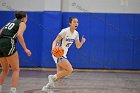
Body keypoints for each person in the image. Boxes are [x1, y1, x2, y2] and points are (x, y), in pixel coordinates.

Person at [42, 17, 86, 91]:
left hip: (64, 54)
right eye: (74, 22)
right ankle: (51, 77)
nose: (76, 23)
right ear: (70, 23)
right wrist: (53, 49)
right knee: (70, 69)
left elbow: (78, 46)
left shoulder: (76, 33)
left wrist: (82, 42)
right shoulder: (65, 31)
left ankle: (46, 87)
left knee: (59, 76)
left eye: (77, 22)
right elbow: (55, 41)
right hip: (58, 53)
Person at [0, 11, 31, 93]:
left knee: (5, 69)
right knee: (16, 69)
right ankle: (13, 90)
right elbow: (19, 35)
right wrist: (25, 49)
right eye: (26, 17)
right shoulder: (22, 23)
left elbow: (1, 31)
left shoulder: (10, 21)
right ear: (24, 18)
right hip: (8, 43)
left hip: (0, 42)